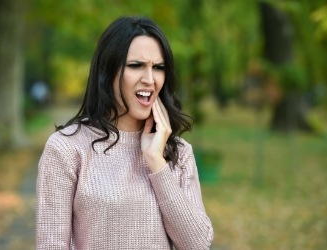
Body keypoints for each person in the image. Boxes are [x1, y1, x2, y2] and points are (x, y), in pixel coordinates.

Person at [36, 16, 213, 250]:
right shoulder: (67, 148)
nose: (149, 79)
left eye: (158, 68)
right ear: (108, 71)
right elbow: (51, 244)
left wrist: (157, 163)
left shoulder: (178, 153)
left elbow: (198, 244)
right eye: (136, 65)